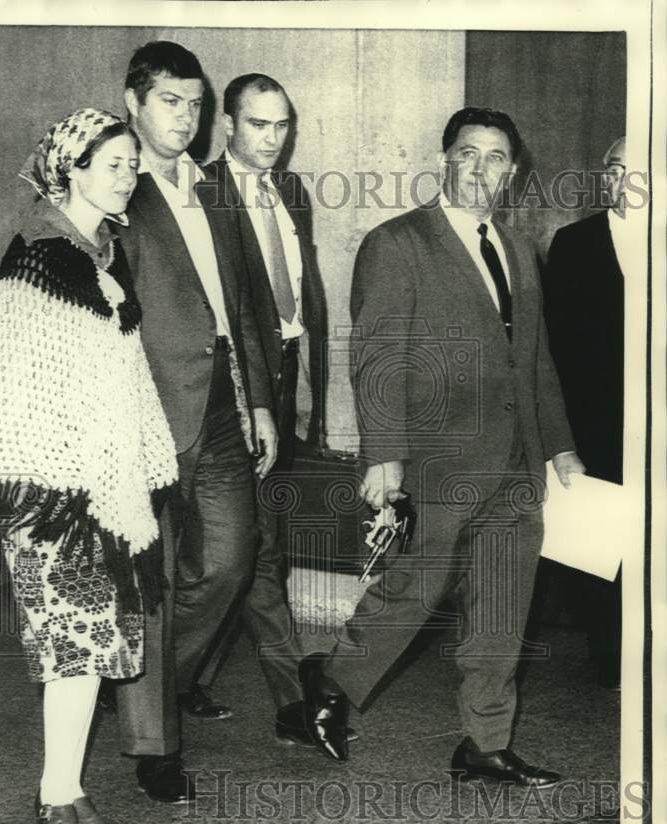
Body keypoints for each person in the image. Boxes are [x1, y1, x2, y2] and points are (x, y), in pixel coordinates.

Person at [298, 107, 585, 785]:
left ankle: (484, 742)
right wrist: (384, 455)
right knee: (415, 590)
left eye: (495, 157)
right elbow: (378, 357)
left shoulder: (519, 251)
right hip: (435, 455)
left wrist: (561, 446)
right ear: (444, 160)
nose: (481, 168)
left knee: (504, 601)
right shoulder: (398, 242)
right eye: (468, 153)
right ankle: (333, 684)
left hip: (516, 459)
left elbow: (536, 359)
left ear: (512, 172)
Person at [0, 108, 178, 824]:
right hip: (51, 492)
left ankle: (66, 790)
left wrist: (135, 467)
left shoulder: (102, 256)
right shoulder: (41, 256)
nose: (130, 176)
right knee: (71, 648)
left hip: (98, 488)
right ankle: (56, 799)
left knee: (92, 648)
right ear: (72, 170)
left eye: (132, 164)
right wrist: (62, 486)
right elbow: (20, 387)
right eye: (115, 164)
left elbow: (122, 373)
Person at [117, 41, 277, 801]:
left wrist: (261, 403)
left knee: (229, 562)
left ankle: (144, 685)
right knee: (151, 579)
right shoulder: (114, 191)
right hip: (143, 407)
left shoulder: (217, 191)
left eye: (195, 103)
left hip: (222, 403)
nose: (186, 117)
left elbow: (243, 305)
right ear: (134, 104)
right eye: (171, 101)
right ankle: (155, 744)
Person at [199, 74, 335, 747]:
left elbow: (303, 303)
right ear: (227, 125)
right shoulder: (202, 195)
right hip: (230, 394)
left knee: (260, 545)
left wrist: (307, 392)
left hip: (284, 382)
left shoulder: (293, 193)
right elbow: (231, 311)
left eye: (282, 125)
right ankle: (287, 701)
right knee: (245, 550)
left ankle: (185, 679)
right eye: (258, 125)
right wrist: (256, 401)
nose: (272, 140)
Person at [544, 137, 627, 690]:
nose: (630, 182)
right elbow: (553, 346)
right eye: (619, 168)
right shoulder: (575, 244)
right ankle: (611, 660)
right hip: (596, 423)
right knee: (599, 551)